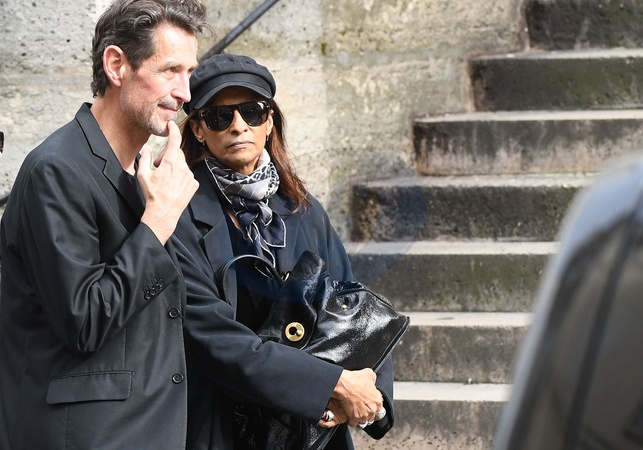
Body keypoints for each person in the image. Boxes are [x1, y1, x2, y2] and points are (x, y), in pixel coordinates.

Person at [0, 0, 209, 448]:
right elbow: (84, 320)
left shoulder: (142, 171)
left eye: (189, 72)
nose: (185, 93)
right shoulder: (56, 169)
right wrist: (158, 220)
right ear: (116, 65)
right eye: (170, 70)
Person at [172, 53, 395, 449]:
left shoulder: (302, 208)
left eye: (252, 111)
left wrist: (371, 397)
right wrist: (327, 387)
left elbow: (353, 307)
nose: (239, 125)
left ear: (270, 120)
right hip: (228, 427)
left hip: (313, 428)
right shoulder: (178, 214)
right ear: (199, 129)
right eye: (220, 116)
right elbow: (209, 337)